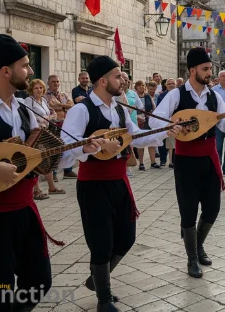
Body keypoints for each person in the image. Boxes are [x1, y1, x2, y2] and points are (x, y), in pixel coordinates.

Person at [0, 35, 87, 311]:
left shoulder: (24, 108)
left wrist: (86, 149)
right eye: (25, 66)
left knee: (40, 281)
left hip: (24, 212)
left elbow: (44, 160)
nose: (30, 71)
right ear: (6, 71)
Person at [60, 56, 168, 311]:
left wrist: (166, 130)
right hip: (93, 184)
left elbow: (135, 137)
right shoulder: (81, 110)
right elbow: (66, 149)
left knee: (127, 238)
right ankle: (103, 299)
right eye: (118, 76)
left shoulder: (120, 109)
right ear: (102, 80)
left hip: (120, 182)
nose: (123, 80)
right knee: (101, 242)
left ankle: (97, 280)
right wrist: (91, 145)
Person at [149, 48, 225, 278]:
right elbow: (157, 122)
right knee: (188, 210)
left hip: (209, 158)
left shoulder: (213, 96)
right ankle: (192, 258)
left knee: (212, 208)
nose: (209, 73)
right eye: (205, 69)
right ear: (193, 70)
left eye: (211, 69)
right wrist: (172, 128)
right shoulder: (176, 95)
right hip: (185, 160)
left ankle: (198, 245)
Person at [23, 78, 65, 198]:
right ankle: (36, 190)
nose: (39, 90)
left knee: (48, 158)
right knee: (37, 161)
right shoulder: (28, 101)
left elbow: (54, 113)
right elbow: (29, 117)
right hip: (35, 133)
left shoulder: (44, 100)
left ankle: (51, 187)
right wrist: (47, 118)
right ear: (31, 89)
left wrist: (49, 117)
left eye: (40, 88)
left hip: (46, 132)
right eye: (36, 88)